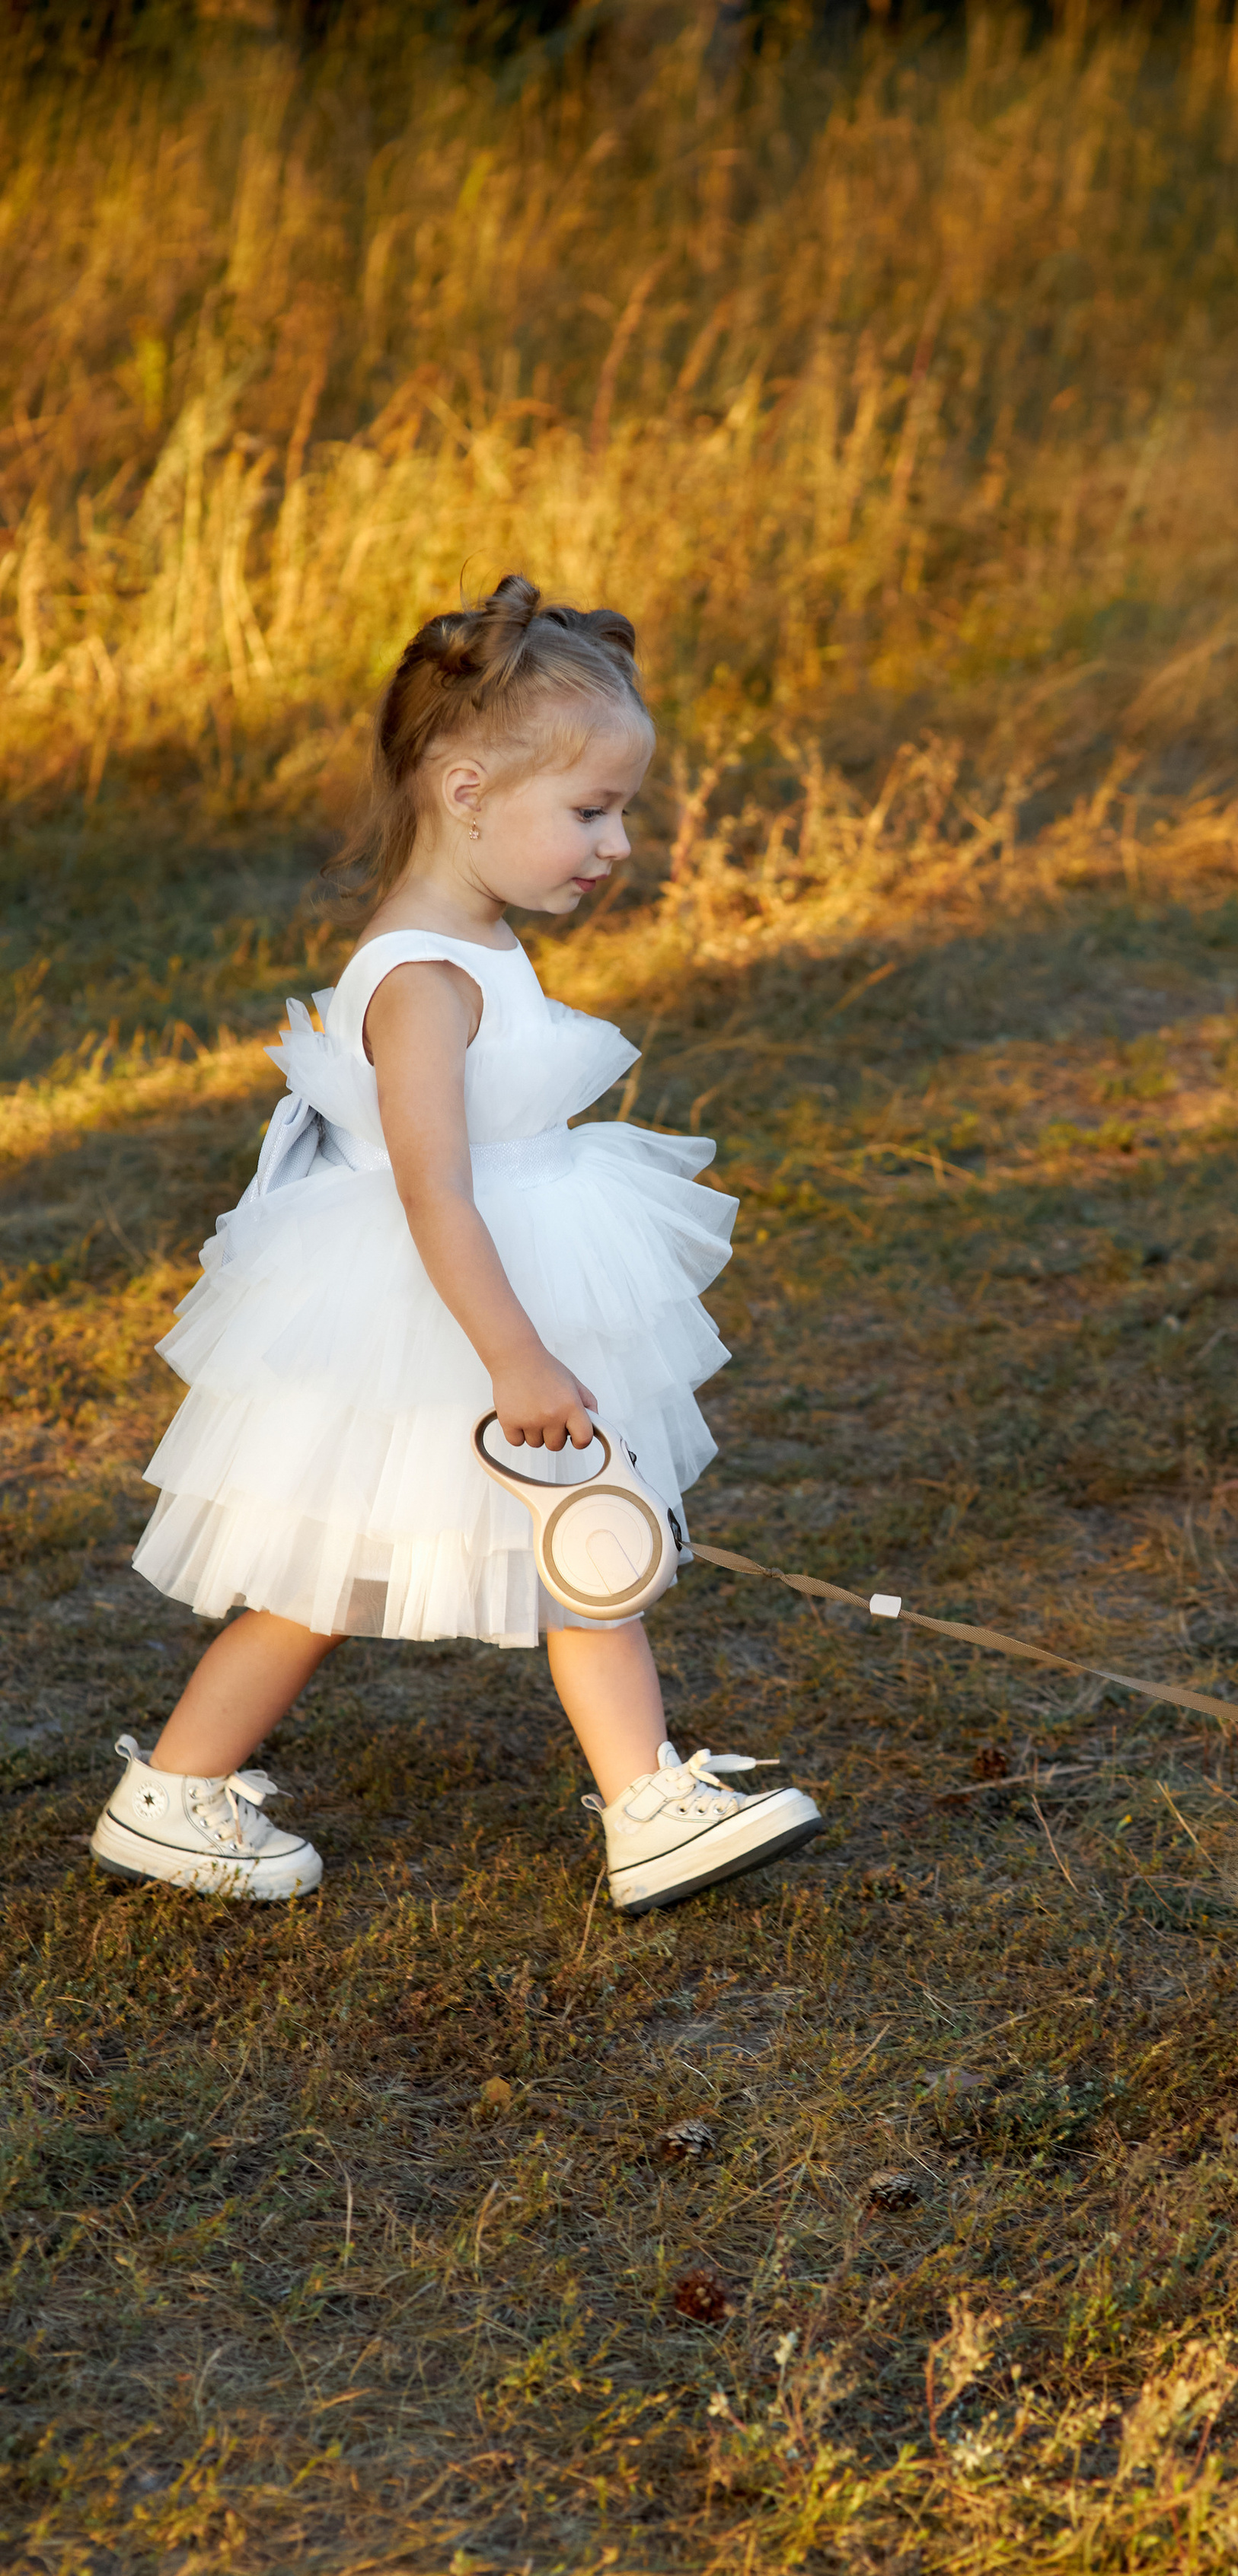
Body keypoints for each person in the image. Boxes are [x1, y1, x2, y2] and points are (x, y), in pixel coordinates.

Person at [89, 575, 820, 1911]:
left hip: (507, 1275)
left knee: (585, 1541)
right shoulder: (421, 976)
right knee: (329, 1573)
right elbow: (434, 1195)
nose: (617, 845)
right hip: (444, 1308)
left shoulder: (473, 937)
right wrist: (519, 1357)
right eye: (590, 811)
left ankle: (644, 1798)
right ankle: (177, 1794)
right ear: (469, 790)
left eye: (622, 811)